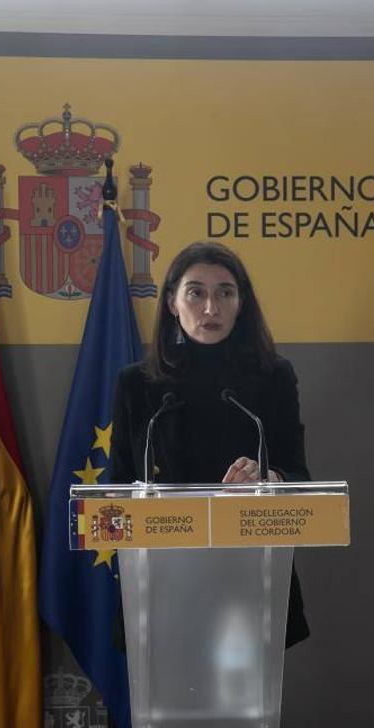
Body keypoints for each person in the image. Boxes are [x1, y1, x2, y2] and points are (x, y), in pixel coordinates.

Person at [110, 241, 310, 647]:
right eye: (195, 292)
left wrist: (268, 477)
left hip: (251, 578)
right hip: (162, 580)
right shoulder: (138, 384)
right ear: (171, 302)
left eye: (225, 292)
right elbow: (118, 486)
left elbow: (298, 475)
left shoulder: (273, 378)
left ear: (241, 303)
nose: (210, 308)